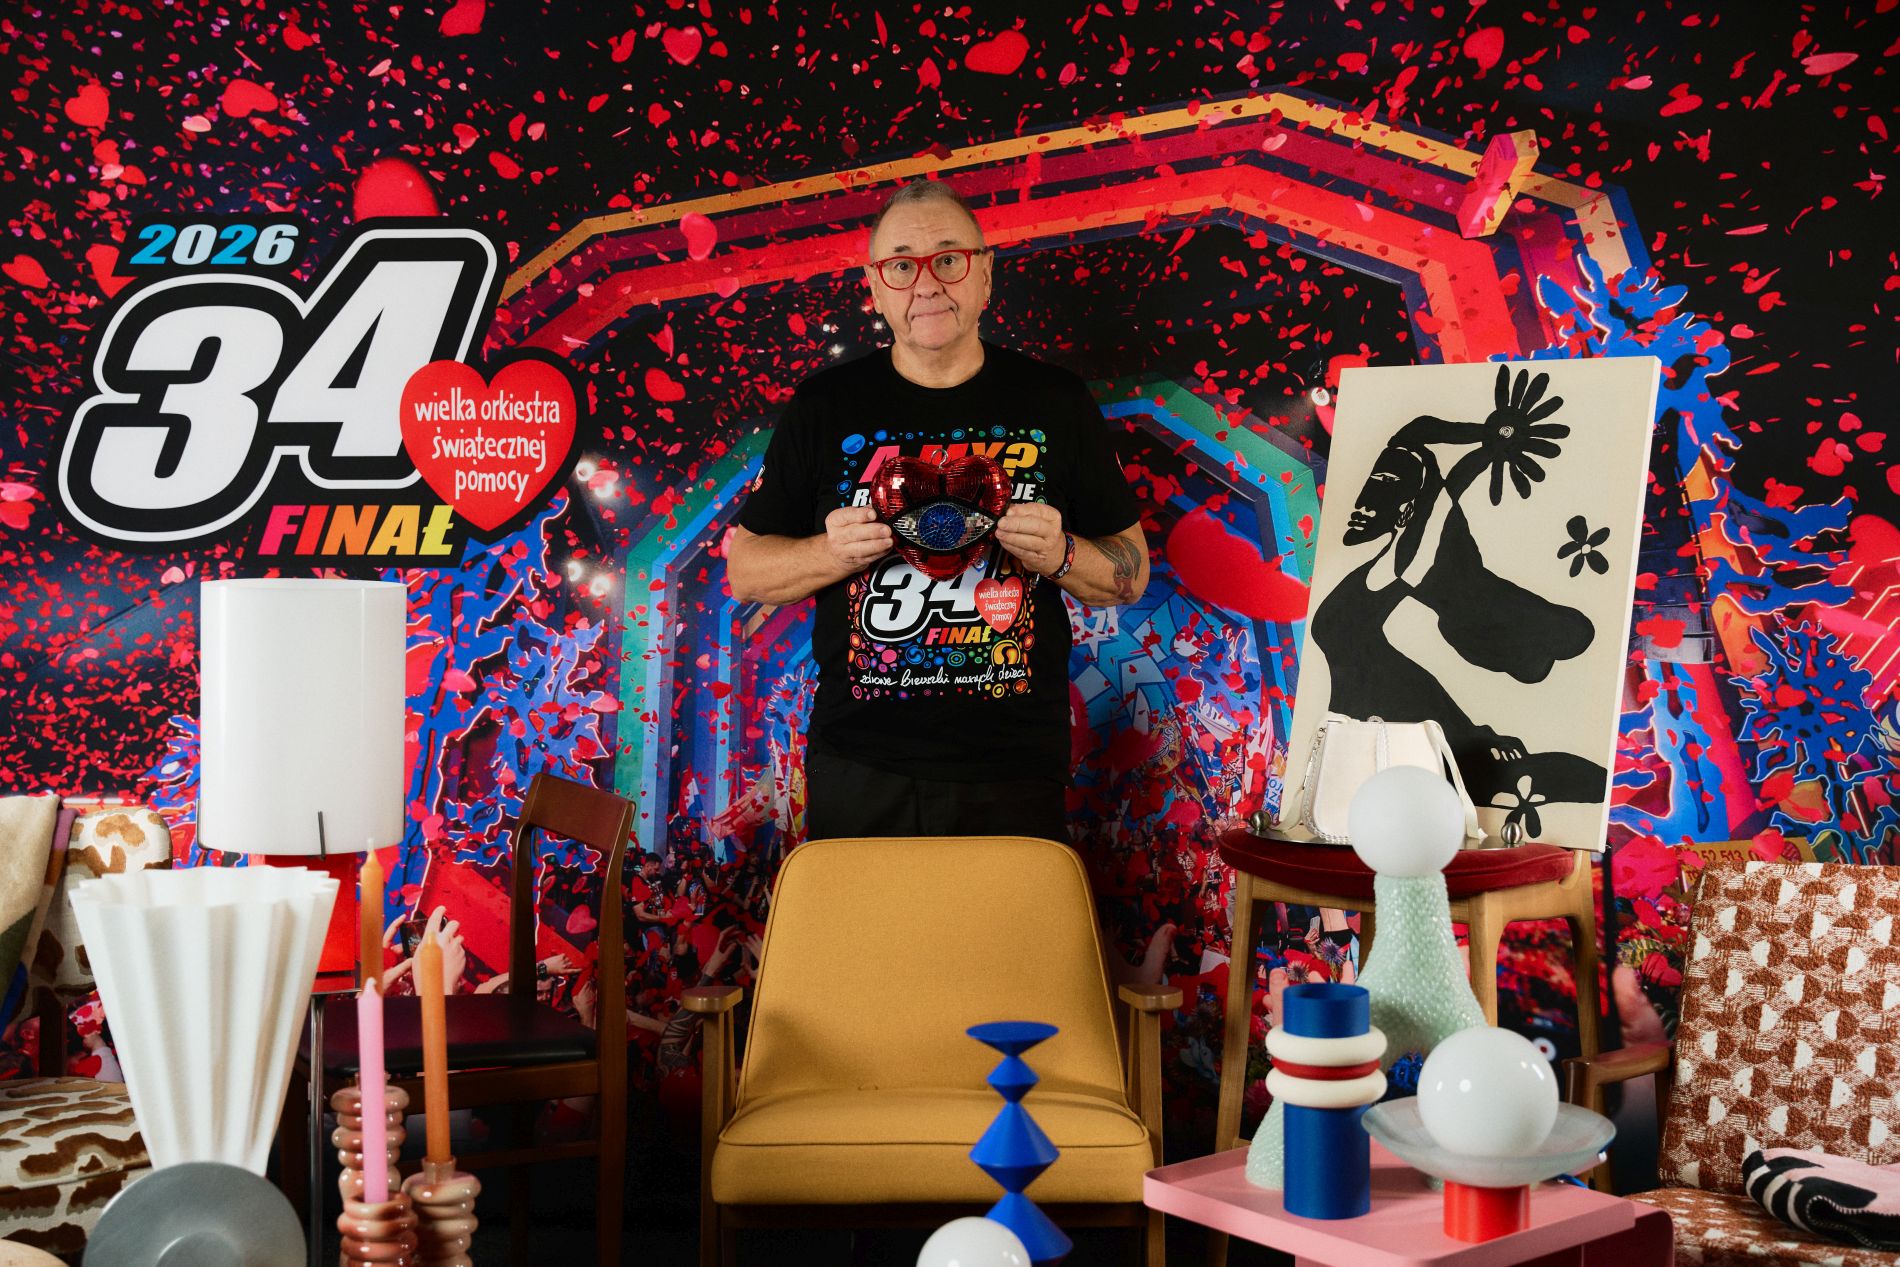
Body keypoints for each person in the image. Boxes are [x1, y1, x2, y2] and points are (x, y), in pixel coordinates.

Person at [726, 178, 1149, 842]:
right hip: (861, 762)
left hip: (1015, 764)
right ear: (875, 286)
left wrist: (1062, 553)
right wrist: (830, 553)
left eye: (949, 259)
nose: (926, 284)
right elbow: (746, 572)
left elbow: (1132, 571)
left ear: (985, 275)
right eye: (901, 265)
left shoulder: (1056, 401)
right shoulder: (824, 406)